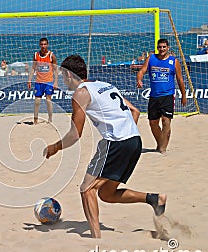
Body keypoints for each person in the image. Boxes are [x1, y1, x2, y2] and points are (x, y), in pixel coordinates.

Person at [43, 55, 166, 238]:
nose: (63, 80)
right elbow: (135, 111)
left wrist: (55, 147)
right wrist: (125, 131)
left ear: (69, 75)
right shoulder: (104, 85)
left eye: (63, 76)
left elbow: (75, 135)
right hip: (134, 141)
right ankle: (154, 199)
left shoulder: (81, 93)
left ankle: (96, 239)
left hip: (116, 142)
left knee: (87, 188)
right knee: (107, 194)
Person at [137, 38, 186, 154]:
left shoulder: (174, 61)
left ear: (168, 48)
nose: (162, 49)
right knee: (153, 123)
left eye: (164, 47)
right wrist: (139, 79)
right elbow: (141, 71)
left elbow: (180, 79)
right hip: (154, 96)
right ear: (157, 48)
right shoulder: (151, 58)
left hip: (167, 95)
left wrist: (184, 95)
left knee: (165, 121)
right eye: (160, 47)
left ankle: (162, 149)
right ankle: (161, 144)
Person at [27, 37, 58, 124]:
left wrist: (56, 82)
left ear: (47, 45)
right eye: (42, 44)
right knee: (37, 101)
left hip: (48, 81)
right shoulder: (36, 55)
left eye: (45, 44)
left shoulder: (51, 55)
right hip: (39, 82)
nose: (43, 46)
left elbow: (56, 70)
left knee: (48, 100)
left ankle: (50, 118)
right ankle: (35, 119)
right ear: (39, 45)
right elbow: (33, 68)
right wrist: (29, 80)